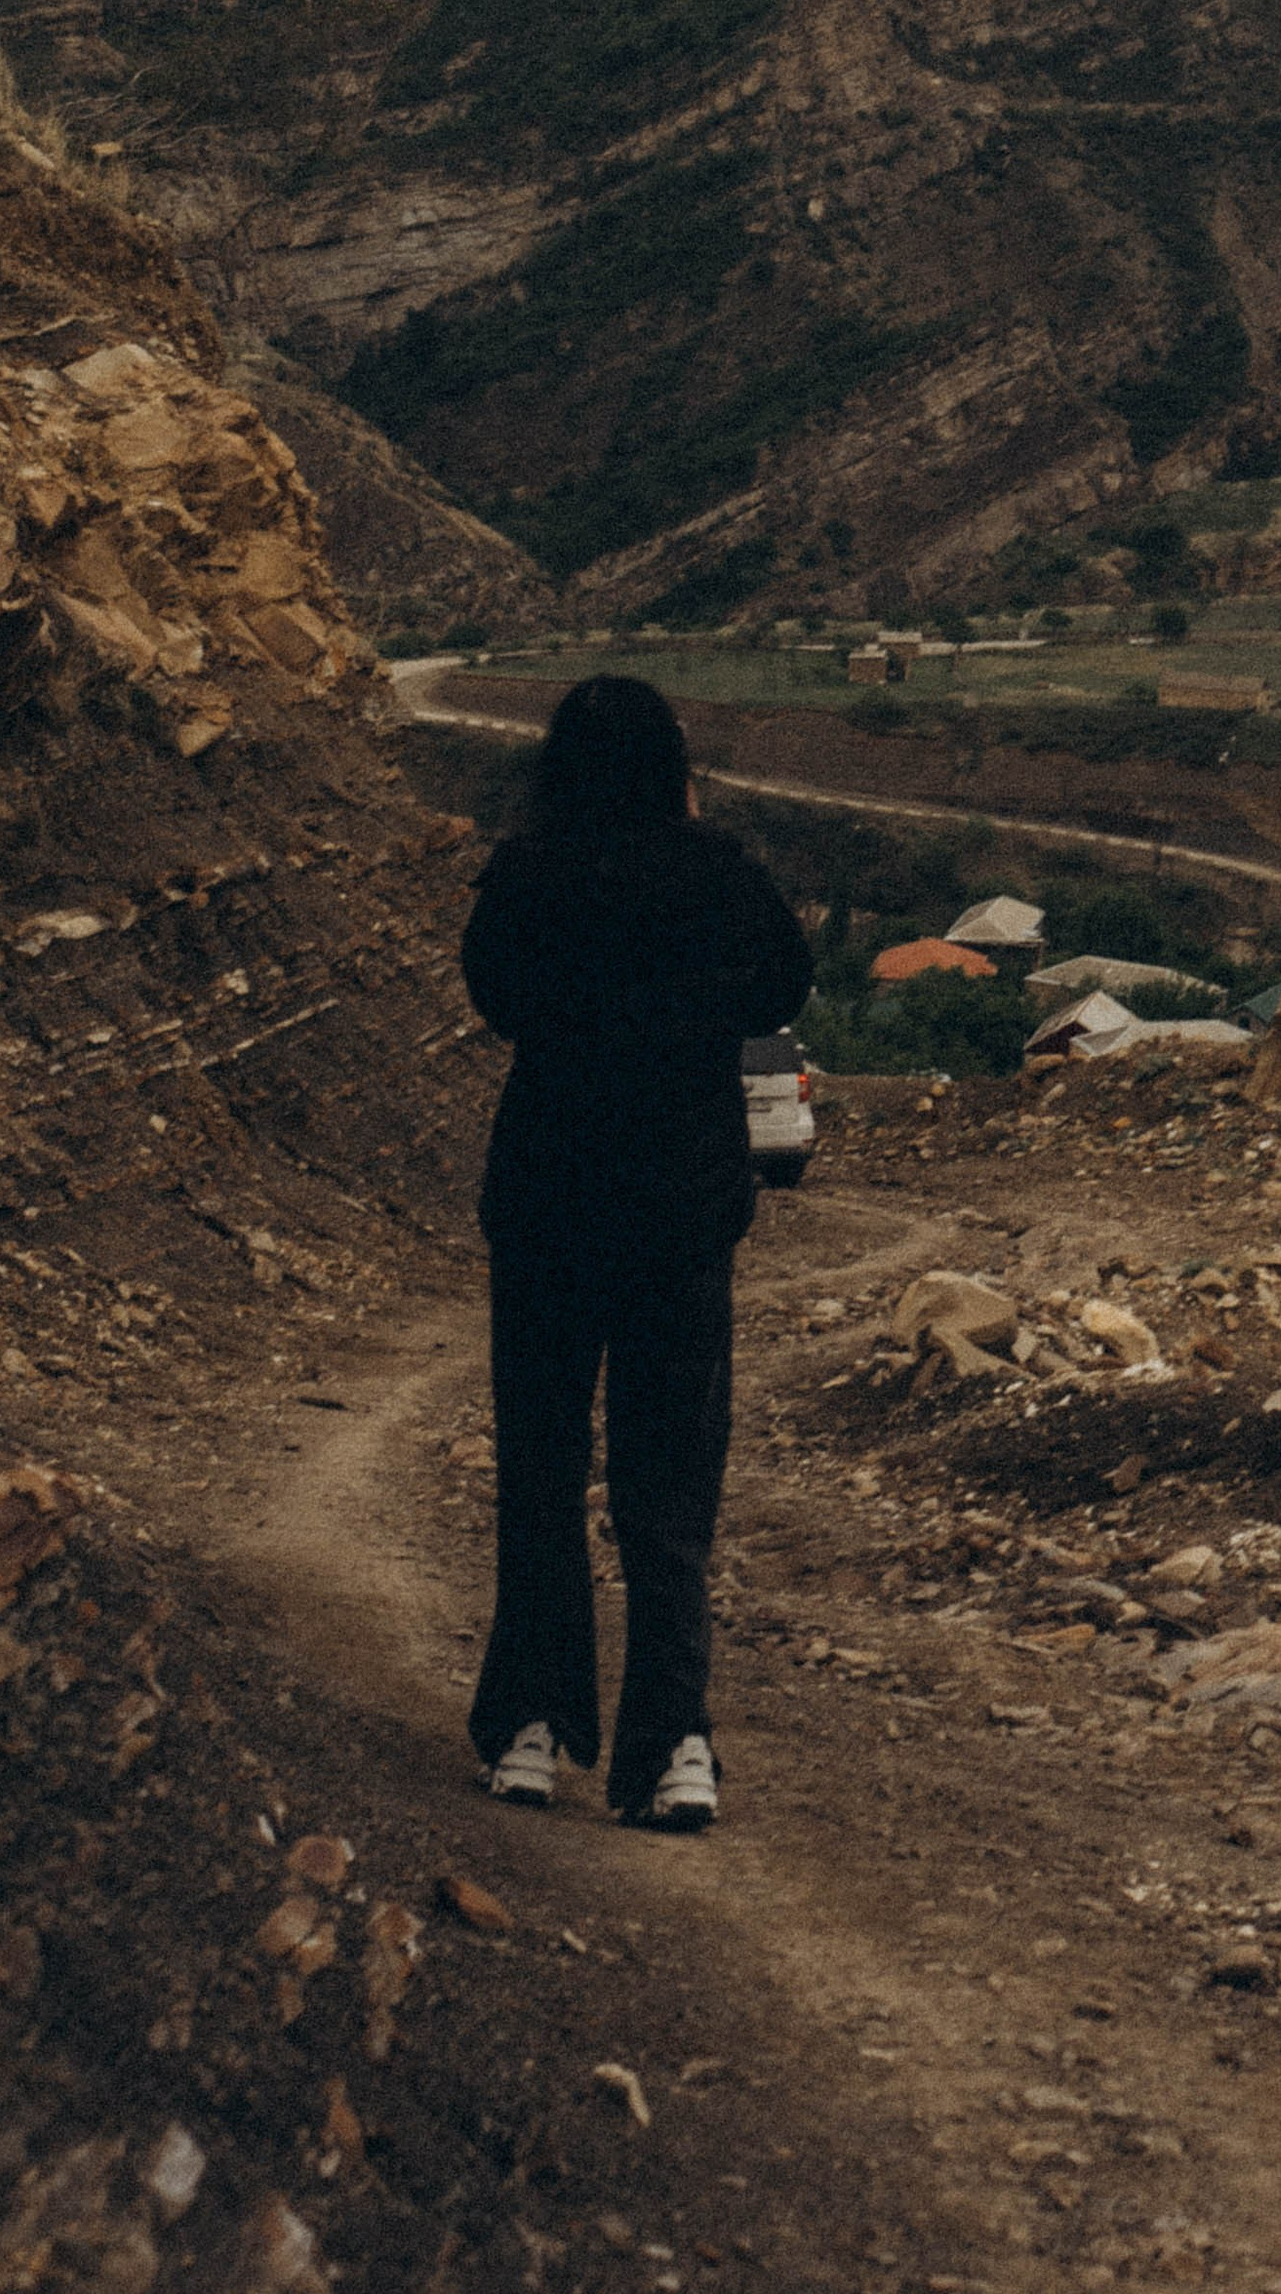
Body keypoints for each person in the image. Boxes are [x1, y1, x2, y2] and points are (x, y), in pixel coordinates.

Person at [460, 675, 811, 1831]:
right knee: (668, 1492)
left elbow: (495, 1000)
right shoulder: (720, 877)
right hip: (678, 1215)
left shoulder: (525, 873)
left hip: (549, 1207)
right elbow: (781, 990)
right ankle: (675, 1750)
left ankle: (529, 1730)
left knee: (542, 1473)